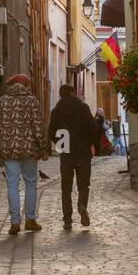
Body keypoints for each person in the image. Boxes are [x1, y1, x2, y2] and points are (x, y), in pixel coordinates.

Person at [0, 73, 47, 235]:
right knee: (30, 183)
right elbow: (38, 127)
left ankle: (14, 221)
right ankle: (30, 219)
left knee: (12, 183)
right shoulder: (32, 102)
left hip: (9, 149)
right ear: (26, 86)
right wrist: (42, 148)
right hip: (29, 149)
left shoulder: (1, 102)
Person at [48, 83, 98, 230]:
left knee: (66, 188)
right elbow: (93, 128)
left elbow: (51, 132)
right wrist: (90, 144)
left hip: (66, 153)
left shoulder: (56, 111)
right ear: (73, 92)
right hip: (83, 153)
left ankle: (67, 220)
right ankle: (82, 204)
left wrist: (61, 144)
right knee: (83, 184)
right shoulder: (83, 107)